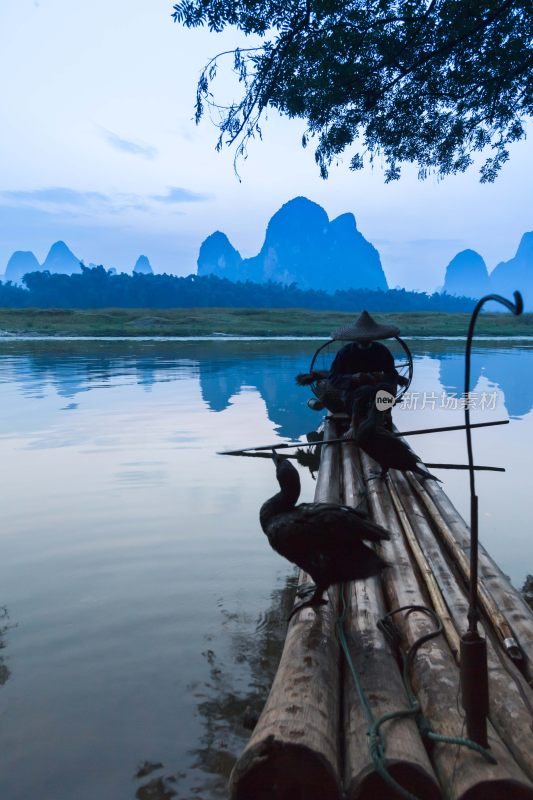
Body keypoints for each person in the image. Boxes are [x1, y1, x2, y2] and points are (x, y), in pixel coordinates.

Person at [328, 311, 406, 437]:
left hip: (378, 394)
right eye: (362, 336)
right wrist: (353, 378)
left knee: (384, 389)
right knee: (364, 391)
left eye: (367, 336)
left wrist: (382, 377)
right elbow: (333, 378)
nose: (364, 338)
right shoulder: (345, 352)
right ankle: (355, 426)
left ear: (373, 336)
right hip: (353, 396)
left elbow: (392, 375)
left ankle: (380, 422)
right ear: (356, 336)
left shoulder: (381, 351)